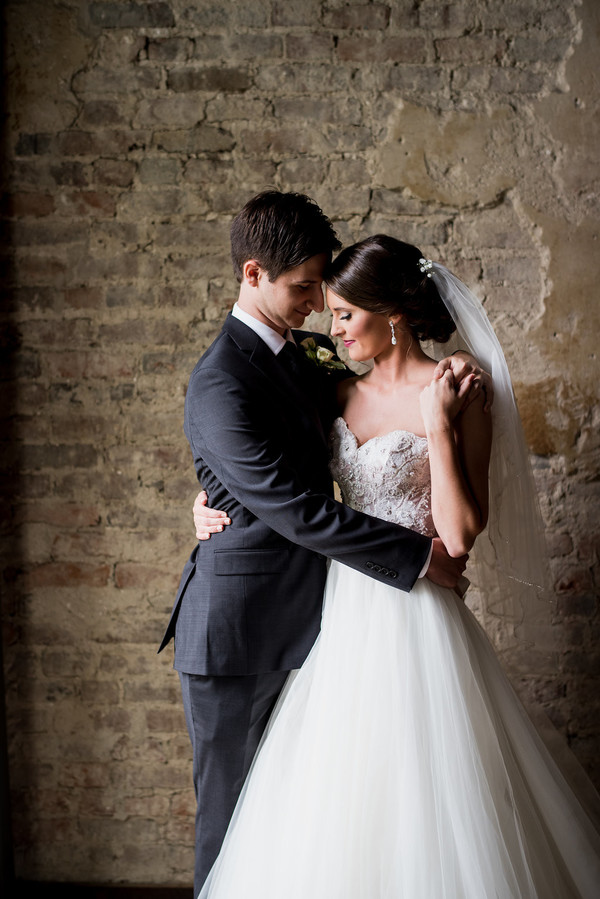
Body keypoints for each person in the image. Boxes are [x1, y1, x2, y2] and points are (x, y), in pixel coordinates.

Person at [194, 235, 600, 898]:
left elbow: (461, 535)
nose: (336, 328)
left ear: (397, 315)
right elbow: (271, 468)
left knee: (432, 793)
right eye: (331, 313)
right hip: (342, 614)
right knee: (342, 793)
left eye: (348, 314)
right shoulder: (331, 390)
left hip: (420, 612)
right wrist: (208, 492)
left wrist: (437, 425)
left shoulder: (459, 388)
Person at [158, 193, 486, 897]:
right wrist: (417, 554)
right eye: (305, 287)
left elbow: (337, 441)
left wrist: (219, 490)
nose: (317, 307)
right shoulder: (220, 380)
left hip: (321, 617)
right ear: (254, 273)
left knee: (315, 814)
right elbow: (297, 507)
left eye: (328, 292)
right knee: (233, 819)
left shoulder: (307, 361)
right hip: (238, 630)